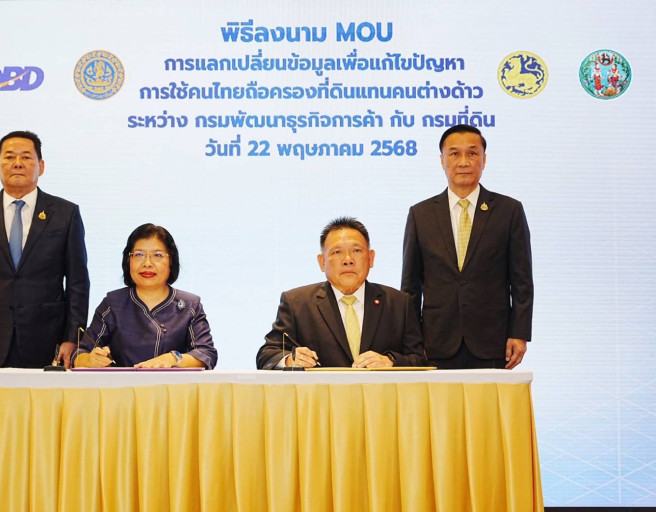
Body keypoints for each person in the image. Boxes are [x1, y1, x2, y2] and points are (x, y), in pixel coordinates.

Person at [0, 130, 90, 369]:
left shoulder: (65, 214)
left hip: (48, 338)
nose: (17, 163)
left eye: (26, 157)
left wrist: (72, 338)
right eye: (9, 157)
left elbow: (78, 282)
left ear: (41, 166)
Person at [402, 124, 533, 369]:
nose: (464, 162)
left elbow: (522, 282)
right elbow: (410, 287)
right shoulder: (421, 214)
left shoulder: (509, 211)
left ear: (484, 160)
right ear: (442, 161)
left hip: (493, 341)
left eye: (472, 153)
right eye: (454, 154)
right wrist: (412, 341)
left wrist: (519, 333)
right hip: (435, 342)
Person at [257, 217, 426, 369]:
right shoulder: (296, 303)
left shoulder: (398, 303)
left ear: (371, 258)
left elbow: (419, 359)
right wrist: (290, 360)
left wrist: (391, 361)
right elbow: (267, 356)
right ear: (322, 262)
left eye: (356, 250)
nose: (348, 260)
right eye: (337, 252)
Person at [74, 223, 217, 369]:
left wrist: (174, 358)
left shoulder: (190, 305)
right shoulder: (113, 303)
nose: (147, 263)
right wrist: (90, 360)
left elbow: (206, 354)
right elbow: (79, 353)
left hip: (172, 384)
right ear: (128, 260)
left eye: (157, 255)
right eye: (139, 255)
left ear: (171, 261)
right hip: (123, 383)